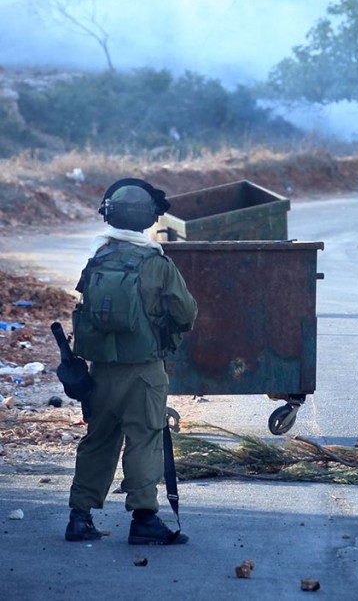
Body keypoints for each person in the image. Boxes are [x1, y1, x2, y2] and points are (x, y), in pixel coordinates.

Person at [65, 178, 198, 546]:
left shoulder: (98, 257)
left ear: (110, 216)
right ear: (148, 219)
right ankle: (143, 520)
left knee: (99, 440)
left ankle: (79, 517)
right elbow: (186, 313)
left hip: (101, 370)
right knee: (144, 439)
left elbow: (85, 309)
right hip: (143, 371)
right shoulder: (156, 262)